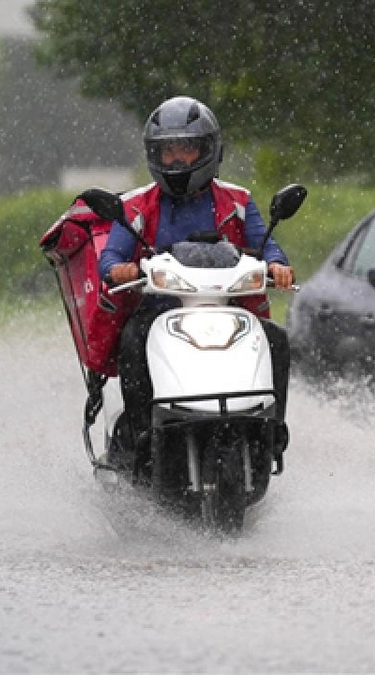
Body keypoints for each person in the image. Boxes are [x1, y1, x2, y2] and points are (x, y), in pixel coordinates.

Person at [96, 96, 294, 459]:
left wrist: (277, 266)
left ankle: (271, 434)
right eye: (167, 150)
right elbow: (110, 255)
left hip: (227, 306)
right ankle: (143, 435)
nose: (176, 160)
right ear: (154, 154)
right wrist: (116, 268)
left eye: (186, 149)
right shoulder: (137, 205)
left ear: (209, 150)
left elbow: (266, 244)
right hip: (159, 310)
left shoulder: (238, 199)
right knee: (132, 338)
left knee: (276, 339)